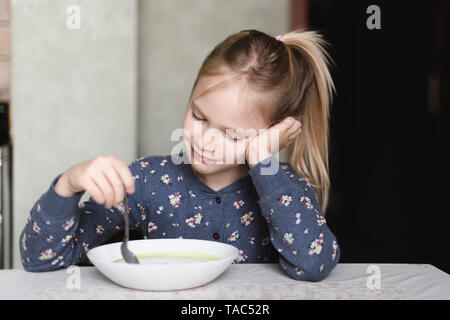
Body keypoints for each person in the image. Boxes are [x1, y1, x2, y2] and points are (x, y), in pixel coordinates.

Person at [20, 29, 340, 281]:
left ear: (274, 134)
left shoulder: (288, 187)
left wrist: (263, 161)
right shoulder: (148, 181)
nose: (205, 141)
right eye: (199, 116)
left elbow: (313, 265)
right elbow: (41, 260)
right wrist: (68, 184)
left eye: (231, 134)